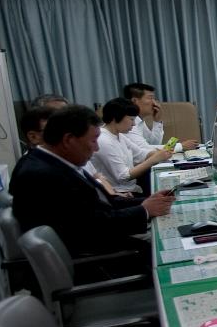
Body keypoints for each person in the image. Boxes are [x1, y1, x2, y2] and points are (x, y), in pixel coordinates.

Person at [9, 105, 174, 260]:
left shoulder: (55, 162)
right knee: (172, 241)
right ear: (68, 140)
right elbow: (93, 227)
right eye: (93, 141)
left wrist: (149, 201)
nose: (96, 149)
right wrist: (144, 210)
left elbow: (103, 203)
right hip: (98, 258)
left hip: (103, 239)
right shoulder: (42, 175)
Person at [92, 98, 173, 195]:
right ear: (115, 118)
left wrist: (159, 154)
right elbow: (123, 176)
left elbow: (140, 153)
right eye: (131, 119)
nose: (134, 124)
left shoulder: (119, 135)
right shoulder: (104, 140)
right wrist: (154, 159)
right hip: (120, 193)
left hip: (132, 188)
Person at [123, 82, 198, 150]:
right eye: (150, 98)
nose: (155, 103)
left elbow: (154, 143)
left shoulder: (139, 120)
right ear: (134, 101)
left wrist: (157, 121)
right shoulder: (127, 123)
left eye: (154, 98)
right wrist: (180, 146)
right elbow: (145, 149)